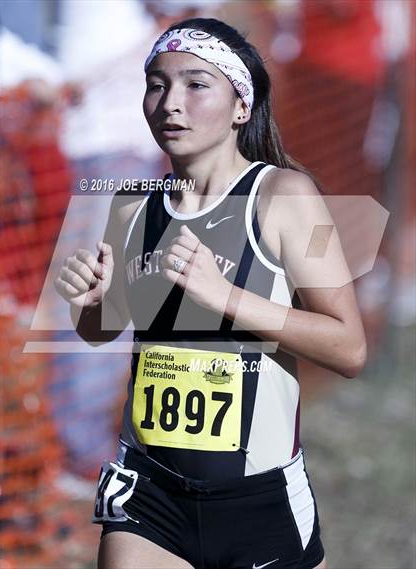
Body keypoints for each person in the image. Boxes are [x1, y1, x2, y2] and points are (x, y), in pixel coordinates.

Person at [54, 17, 367, 569]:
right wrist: (91, 303)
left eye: (197, 85)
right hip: (148, 497)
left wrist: (226, 296)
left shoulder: (284, 195)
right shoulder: (133, 204)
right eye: (157, 83)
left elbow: (349, 348)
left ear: (241, 105)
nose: (172, 102)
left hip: (258, 503)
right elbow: (104, 330)